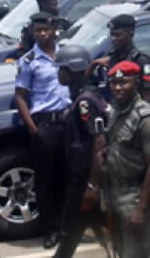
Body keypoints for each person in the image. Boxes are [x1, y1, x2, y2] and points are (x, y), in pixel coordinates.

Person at [13, 12, 71, 249]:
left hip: (67, 123)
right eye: (38, 30)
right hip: (44, 125)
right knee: (46, 180)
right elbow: (20, 97)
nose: (42, 34)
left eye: (46, 29)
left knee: (68, 176)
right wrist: (34, 129)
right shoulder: (27, 62)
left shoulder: (66, 53)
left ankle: (69, 225)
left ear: (54, 29)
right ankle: (51, 229)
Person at [53, 45, 110, 258]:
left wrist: (91, 186)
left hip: (85, 179)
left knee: (70, 229)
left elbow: (98, 142)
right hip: (82, 176)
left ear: (71, 71)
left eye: (61, 68)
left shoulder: (85, 102)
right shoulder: (84, 94)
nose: (58, 73)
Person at [101, 60, 150, 258]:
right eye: (114, 83)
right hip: (113, 193)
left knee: (136, 253)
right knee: (120, 251)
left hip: (133, 195)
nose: (118, 88)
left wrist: (141, 208)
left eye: (124, 82)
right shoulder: (115, 110)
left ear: (136, 83)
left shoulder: (145, 117)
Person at [87, 14, 150, 103]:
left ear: (131, 35)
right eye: (111, 35)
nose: (113, 39)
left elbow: (147, 96)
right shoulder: (112, 58)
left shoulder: (140, 60)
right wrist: (94, 64)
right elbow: (85, 81)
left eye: (118, 35)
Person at [7, 0, 71, 61]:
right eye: (54, 5)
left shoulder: (63, 24)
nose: (58, 7)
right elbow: (25, 51)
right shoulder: (31, 29)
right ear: (45, 6)